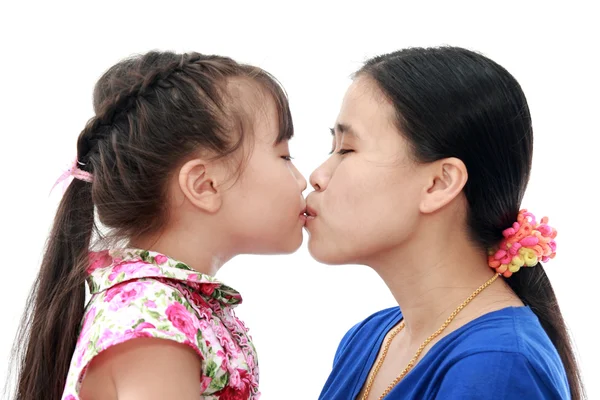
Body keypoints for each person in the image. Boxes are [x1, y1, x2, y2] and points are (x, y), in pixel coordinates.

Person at [12, 50, 307, 400]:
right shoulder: (153, 322)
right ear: (204, 185)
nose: (304, 180)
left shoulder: (168, 306)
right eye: (285, 156)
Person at [306, 46, 584, 399]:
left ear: (440, 183)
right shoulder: (369, 337)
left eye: (346, 149)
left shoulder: (497, 363)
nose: (317, 176)